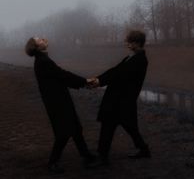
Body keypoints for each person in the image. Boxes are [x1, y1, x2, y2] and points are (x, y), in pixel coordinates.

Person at [25, 37, 95, 174]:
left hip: (59, 99)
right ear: (36, 46)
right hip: (57, 102)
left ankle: (86, 155)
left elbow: (60, 76)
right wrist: (85, 81)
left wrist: (82, 83)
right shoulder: (43, 61)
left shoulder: (43, 59)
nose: (42, 39)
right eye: (38, 39)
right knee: (63, 133)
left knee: (76, 128)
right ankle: (52, 163)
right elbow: (62, 75)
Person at [88, 30, 151, 165]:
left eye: (129, 41)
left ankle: (102, 157)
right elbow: (115, 70)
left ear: (136, 43)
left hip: (121, 101)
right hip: (121, 100)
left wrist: (99, 82)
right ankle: (144, 150)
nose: (126, 43)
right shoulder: (131, 57)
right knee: (130, 127)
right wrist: (98, 79)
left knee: (108, 126)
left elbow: (119, 75)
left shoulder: (140, 60)